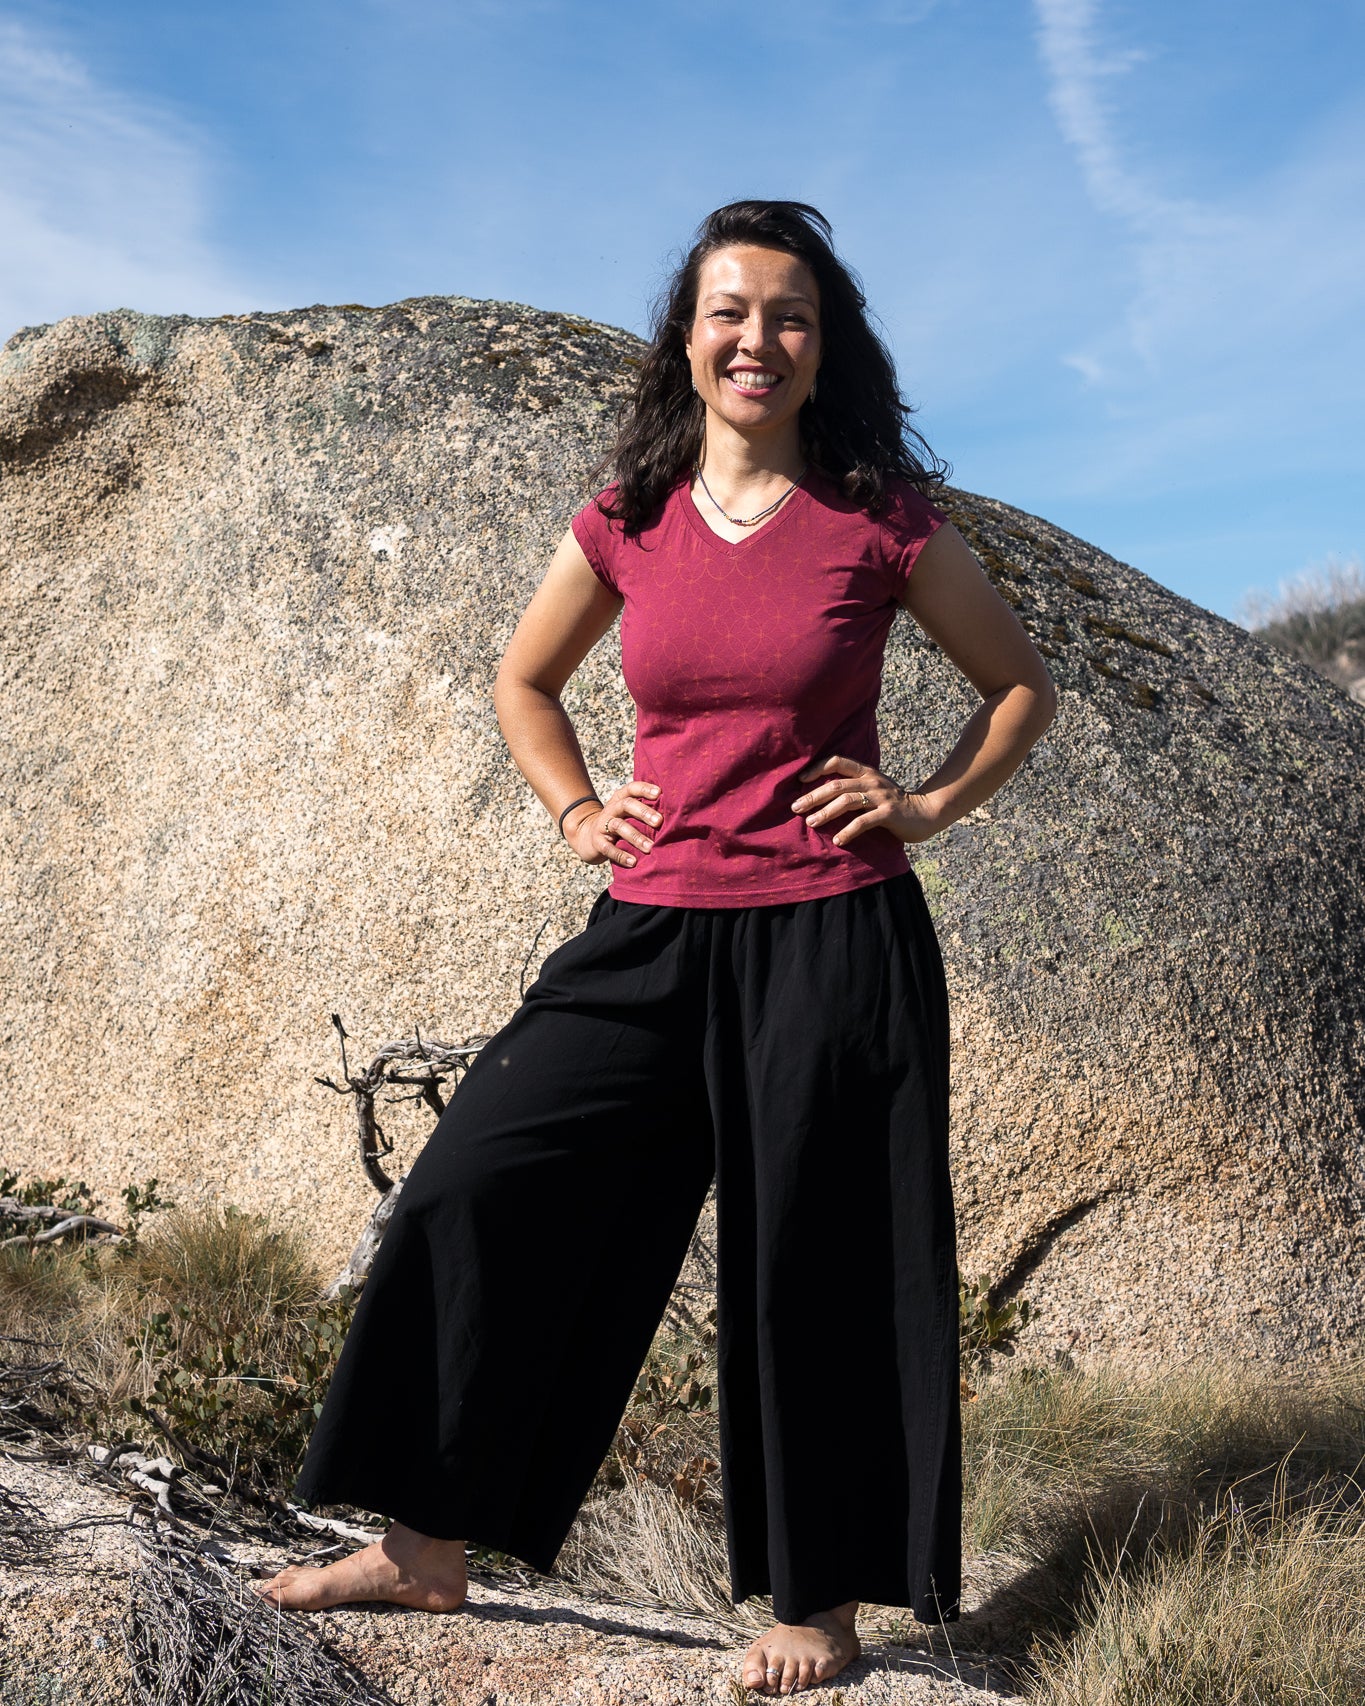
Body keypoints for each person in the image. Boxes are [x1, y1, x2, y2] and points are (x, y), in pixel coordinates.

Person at [256, 199, 1056, 1697]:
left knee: (814, 1262)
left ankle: (820, 1602)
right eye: (731, 311)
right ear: (687, 339)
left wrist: (926, 799)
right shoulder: (629, 514)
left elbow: (1018, 685)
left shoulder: (877, 516)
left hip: (831, 931)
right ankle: (428, 1541)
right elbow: (524, 677)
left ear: (826, 349)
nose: (758, 337)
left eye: (791, 315)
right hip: (652, 924)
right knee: (479, 1177)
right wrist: (574, 808)